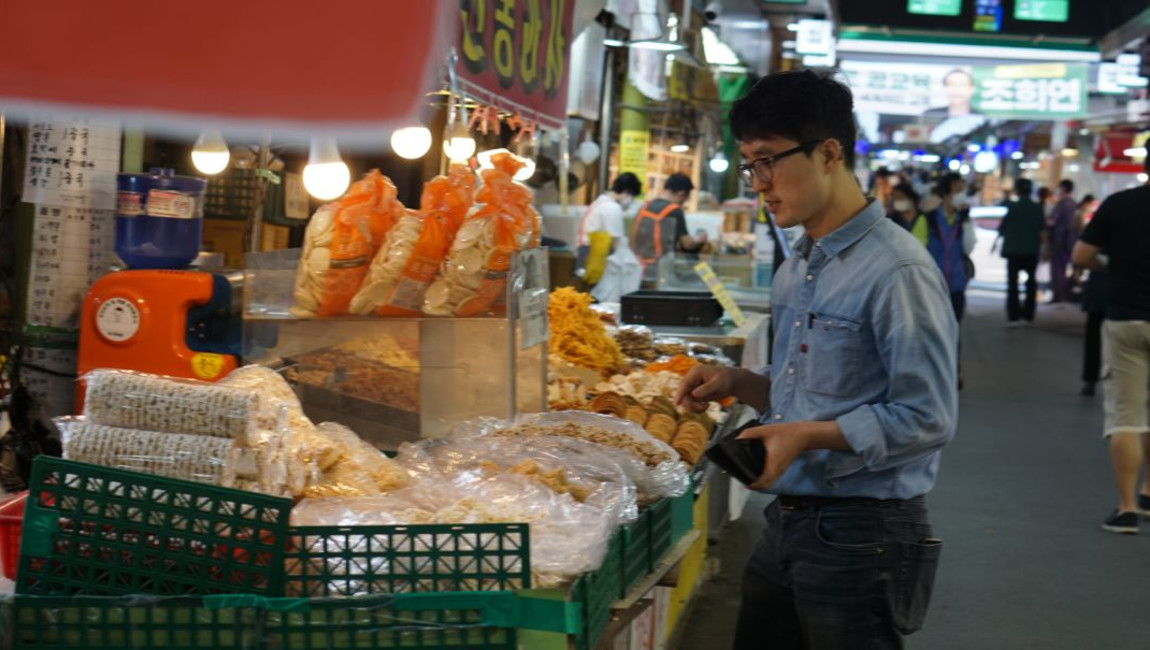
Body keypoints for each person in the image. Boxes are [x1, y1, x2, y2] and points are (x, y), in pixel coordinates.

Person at [677, 69, 958, 648]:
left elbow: (928, 417)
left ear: (829, 153)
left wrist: (805, 436)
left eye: (768, 161)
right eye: (749, 166)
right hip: (789, 519)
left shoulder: (898, 271)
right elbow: (805, 388)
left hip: (866, 532)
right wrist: (737, 381)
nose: (759, 183)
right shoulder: (798, 266)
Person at [1072, 161, 1150, 534]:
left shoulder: (1119, 204)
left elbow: (1081, 257)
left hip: (1127, 320)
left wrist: (1112, 264)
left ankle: (1127, 509)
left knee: (1127, 416)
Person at [576, 173, 642, 302]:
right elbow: (616, 243)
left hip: (586, 256)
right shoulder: (612, 208)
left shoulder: (600, 202)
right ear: (627, 192)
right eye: (633, 197)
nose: (632, 201)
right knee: (602, 299)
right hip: (598, 259)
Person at [631, 173, 707, 284]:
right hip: (662, 270)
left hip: (640, 268)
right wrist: (700, 239)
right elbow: (687, 244)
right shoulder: (674, 211)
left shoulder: (645, 207)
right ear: (682, 194)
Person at [993, 178, 1044, 326]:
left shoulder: (1011, 206)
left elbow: (1000, 221)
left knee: (1012, 284)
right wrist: (1045, 248)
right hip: (1031, 249)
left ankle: (1013, 316)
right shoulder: (1037, 208)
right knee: (1031, 283)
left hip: (1013, 250)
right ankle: (1028, 315)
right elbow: (1042, 230)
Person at [1047, 179, 1078, 302]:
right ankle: (1064, 293)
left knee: (1057, 268)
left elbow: (1052, 221)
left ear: (1063, 189)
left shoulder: (1062, 204)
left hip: (1059, 240)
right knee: (1065, 268)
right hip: (1070, 241)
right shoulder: (1074, 204)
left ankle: (1058, 294)